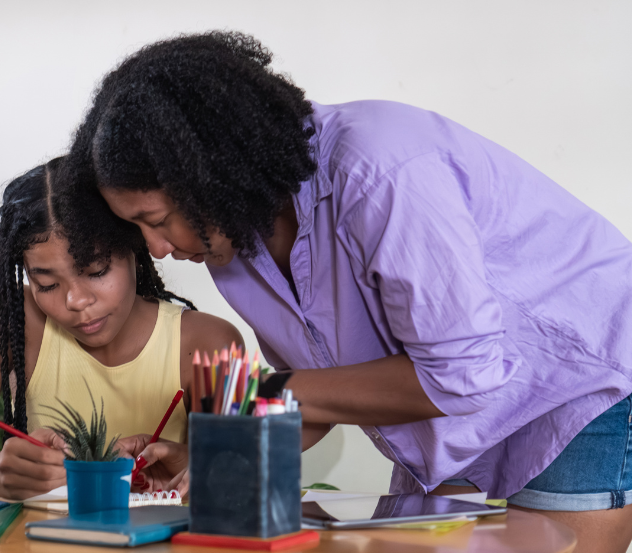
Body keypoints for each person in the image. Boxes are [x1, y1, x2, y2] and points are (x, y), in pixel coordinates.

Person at [62, 32, 632, 552]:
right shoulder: (229, 244)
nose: (156, 249)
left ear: (210, 173)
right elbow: (327, 400)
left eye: (156, 220)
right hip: (459, 428)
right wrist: (215, 457)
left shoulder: (381, 168)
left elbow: (461, 372)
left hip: (577, 385)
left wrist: (270, 393)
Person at [0, 157, 241, 499]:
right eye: (46, 284)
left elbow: (240, 480)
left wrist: (198, 465)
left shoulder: (208, 343)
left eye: (96, 271)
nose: (75, 300)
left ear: (135, 247)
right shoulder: (17, 317)